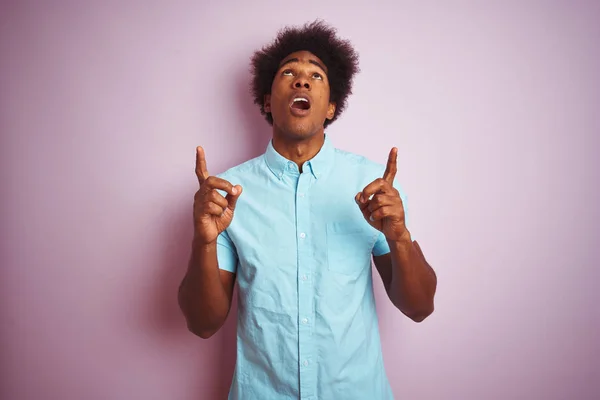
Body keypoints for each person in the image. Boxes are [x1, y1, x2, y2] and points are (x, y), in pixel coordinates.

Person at [178, 20, 437, 399]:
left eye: (316, 75)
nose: (302, 81)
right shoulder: (227, 194)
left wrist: (398, 237)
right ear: (267, 100)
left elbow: (420, 307)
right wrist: (203, 241)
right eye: (289, 73)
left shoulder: (372, 185)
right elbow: (202, 324)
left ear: (331, 106)